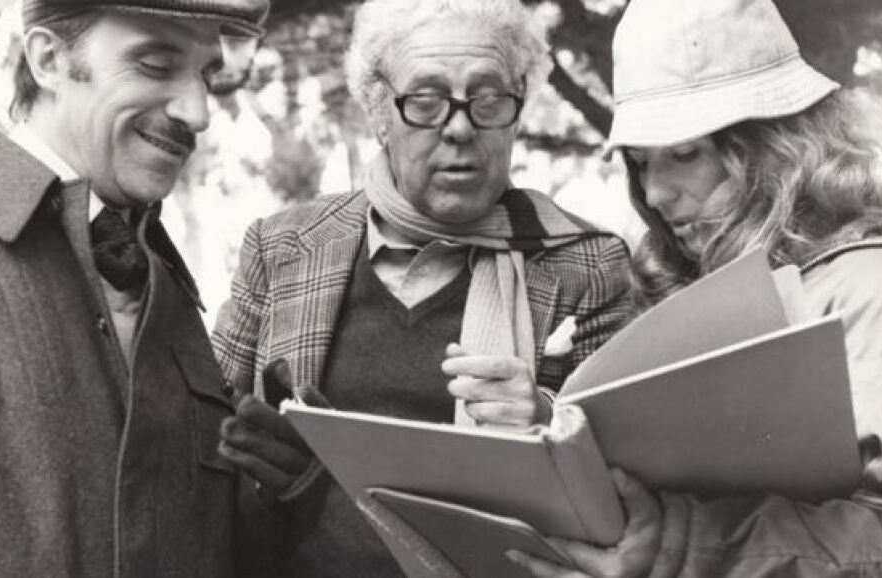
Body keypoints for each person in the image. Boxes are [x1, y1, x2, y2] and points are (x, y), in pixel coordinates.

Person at [211, 0, 633, 576]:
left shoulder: (584, 265)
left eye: (488, 99)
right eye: (427, 101)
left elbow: (626, 490)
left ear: (518, 109)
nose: (459, 128)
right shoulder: (283, 248)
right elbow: (205, 445)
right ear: (378, 112)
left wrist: (545, 419)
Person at [508, 0, 882, 576]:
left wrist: (687, 545)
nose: (656, 194)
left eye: (684, 155)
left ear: (776, 146)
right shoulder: (680, 275)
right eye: (640, 163)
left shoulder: (874, 285)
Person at [0, 1, 267, 576]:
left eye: (207, 77)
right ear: (48, 59)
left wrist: (278, 493)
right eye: (156, 65)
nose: (198, 111)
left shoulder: (167, 285)